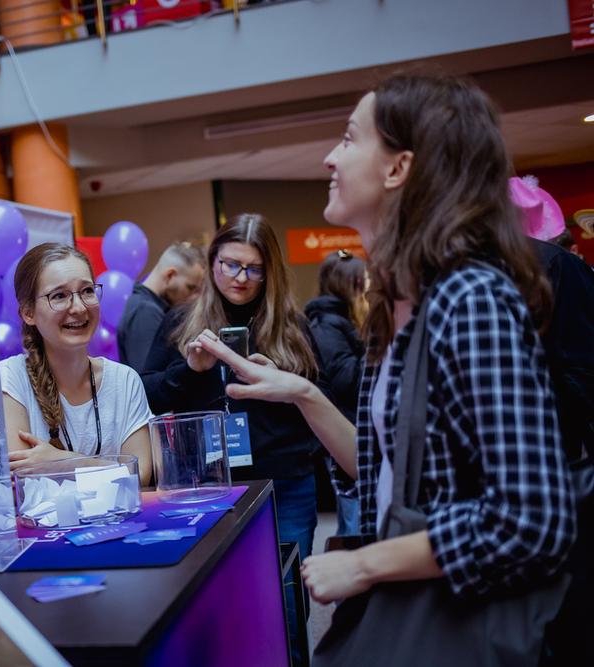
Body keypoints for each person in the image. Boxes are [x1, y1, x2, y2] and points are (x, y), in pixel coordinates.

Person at [198, 74, 576, 661]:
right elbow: (393, 478)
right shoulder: (397, 304)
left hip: (460, 624)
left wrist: (366, 563)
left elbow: (531, 519)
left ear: (398, 169)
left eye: (349, 138)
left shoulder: (468, 296)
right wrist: (302, 392)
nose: (330, 155)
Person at [141, 213, 334, 560]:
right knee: (217, 595)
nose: (242, 278)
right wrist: (190, 371)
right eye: (231, 265)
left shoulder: (291, 327)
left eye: (255, 269)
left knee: (286, 602)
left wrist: (285, 384)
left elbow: (326, 403)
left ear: (269, 272)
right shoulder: (180, 321)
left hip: (284, 484)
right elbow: (146, 396)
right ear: (212, 261)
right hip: (203, 485)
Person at [0, 243, 153, 485]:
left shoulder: (124, 380)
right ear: (28, 313)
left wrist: (64, 462)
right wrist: (110, 470)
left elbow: (140, 474)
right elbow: (21, 483)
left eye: (87, 291)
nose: (79, 307)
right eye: (59, 296)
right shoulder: (11, 378)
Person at [305, 249, 366, 536]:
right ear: (352, 286)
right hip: (346, 436)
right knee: (356, 528)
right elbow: (350, 383)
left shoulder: (338, 324)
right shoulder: (327, 327)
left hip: (352, 433)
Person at [117, 240, 206, 372]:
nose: (193, 296)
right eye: (190, 287)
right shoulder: (144, 312)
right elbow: (148, 378)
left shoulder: (148, 307)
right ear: (170, 275)